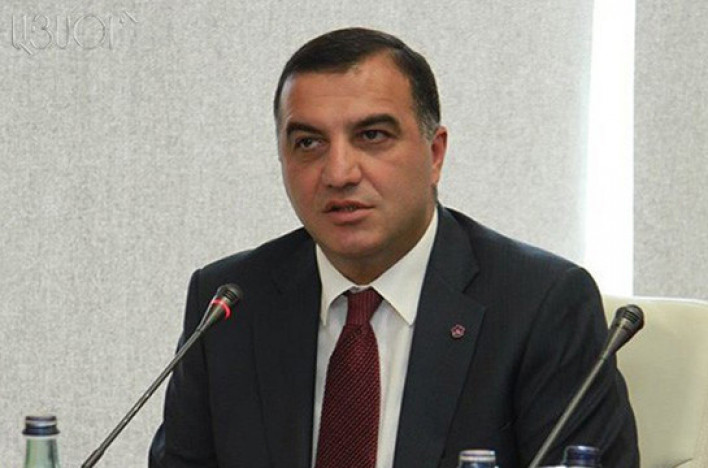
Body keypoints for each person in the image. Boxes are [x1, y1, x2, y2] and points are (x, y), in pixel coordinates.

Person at [149, 27, 639, 468]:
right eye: (308, 143)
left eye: (372, 136)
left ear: (435, 154)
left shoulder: (540, 305)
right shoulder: (230, 304)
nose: (339, 173)